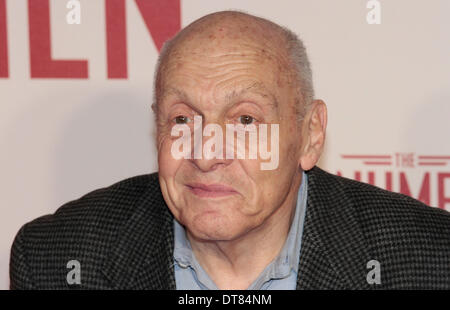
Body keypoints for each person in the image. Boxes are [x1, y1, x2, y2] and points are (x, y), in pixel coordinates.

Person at [10, 11, 450, 290]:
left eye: (244, 121)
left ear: (310, 135)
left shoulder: (430, 260)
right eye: (182, 119)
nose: (205, 155)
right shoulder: (57, 259)